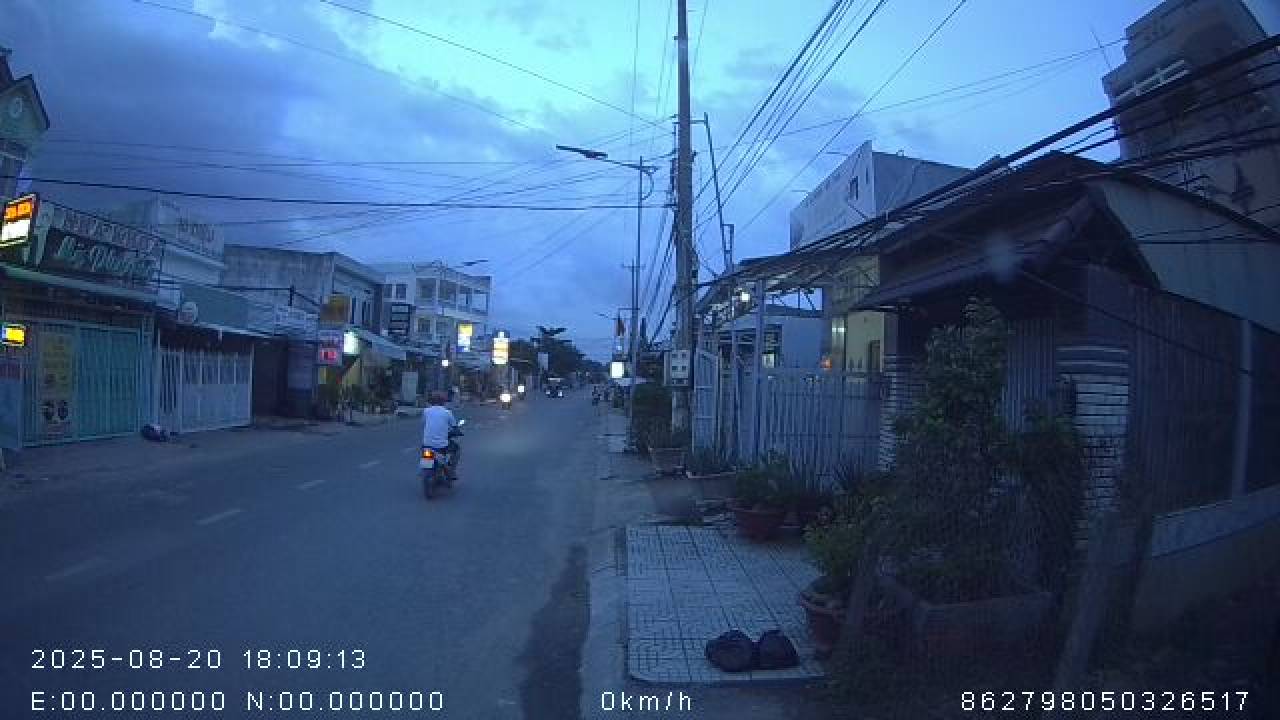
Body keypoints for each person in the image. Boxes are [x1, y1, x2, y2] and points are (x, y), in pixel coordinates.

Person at [421, 391, 459, 481]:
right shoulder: (447, 412)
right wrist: (456, 431)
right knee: (456, 449)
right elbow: (454, 426)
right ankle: (451, 471)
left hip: (427, 444)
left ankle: (428, 469)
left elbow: (424, 423)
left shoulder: (426, 411)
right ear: (443, 402)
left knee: (425, 453)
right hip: (441, 445)